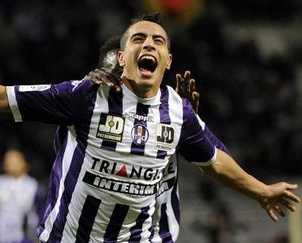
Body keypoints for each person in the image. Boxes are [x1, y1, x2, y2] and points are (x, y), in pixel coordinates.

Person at [0, 13, 301, 242]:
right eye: (138, 39)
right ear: (120, 55)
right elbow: (1, 97)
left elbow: (214, 162)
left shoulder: (179, 111)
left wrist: (261, 189)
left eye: (158, 41)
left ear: (168, 61)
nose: (149, 45)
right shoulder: (87, 95)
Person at [88, 34, 231, 242]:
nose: (121, 78)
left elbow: (221, 159)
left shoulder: (167, 115)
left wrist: (190, 124)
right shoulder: (84, 112)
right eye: (113, 72)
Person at [0, 149, 43, 243]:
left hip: (24, 236)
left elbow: (41, 211)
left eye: (15, 159)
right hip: (0, 235)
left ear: (25, 163)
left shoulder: (33, 186)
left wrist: (39, 234)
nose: (9, 162)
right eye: (7, 159)